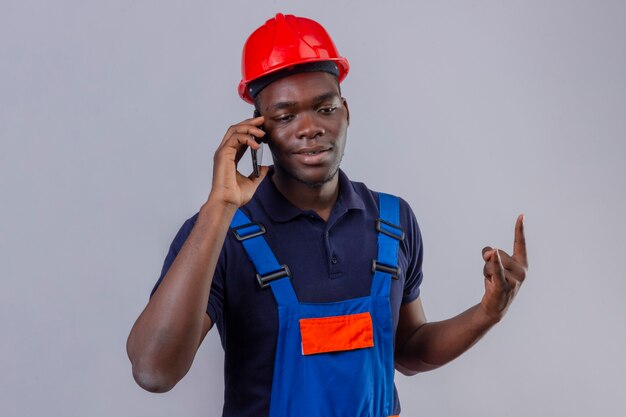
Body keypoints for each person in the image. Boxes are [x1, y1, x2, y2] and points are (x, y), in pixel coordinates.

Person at [126, 13, 528, 417]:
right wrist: (219, 209)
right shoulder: (220, 234)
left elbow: (407, 351)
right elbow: (153, 371)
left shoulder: (393, 221)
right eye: (285, 116)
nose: (309, 128)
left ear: (346, 112)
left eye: (324, 107)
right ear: (257, 131)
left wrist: (486, 314)